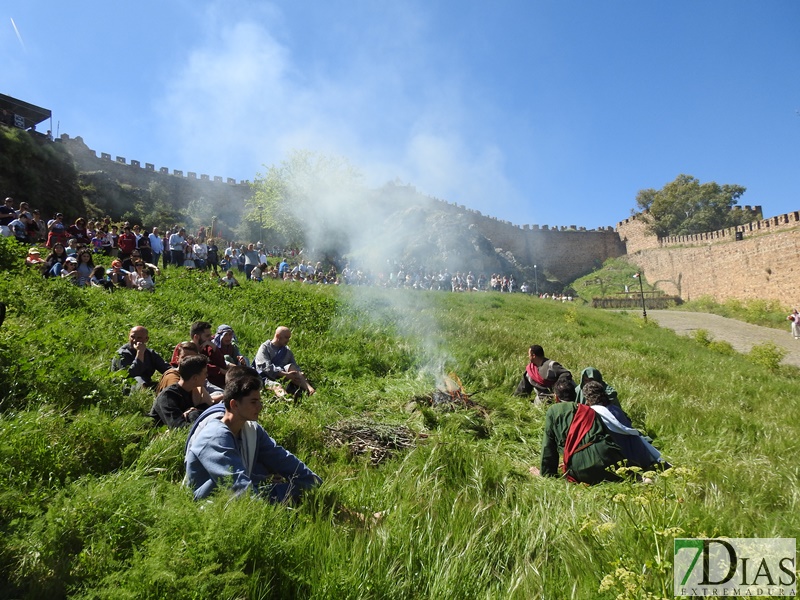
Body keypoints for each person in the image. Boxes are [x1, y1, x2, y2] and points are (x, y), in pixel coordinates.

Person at [184, 370, 322, 501]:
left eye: (259, 402)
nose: (260, 407)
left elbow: (280, 457)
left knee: (299, 490)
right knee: (284, 496)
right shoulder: (215, 437)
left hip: (239, 494)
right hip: (213, 502)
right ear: (234, 405)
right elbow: (237, 485)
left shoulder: (251, 429)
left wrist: (313, 482)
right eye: (253, 402)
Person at [534, 379, 625, 484]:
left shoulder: (554, 410)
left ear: (556, 397)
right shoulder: (589, 410)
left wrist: (546, 474)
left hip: (583, 467)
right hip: (610, 460)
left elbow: (548, 446)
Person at [582, 381, 666, 470]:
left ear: (588, 399)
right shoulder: (615, 409)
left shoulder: (595, 413)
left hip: (623, 458)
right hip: (640, 453)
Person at [149, 355, 214, 429]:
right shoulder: (168, 396)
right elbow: (177, 426)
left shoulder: (190, 391)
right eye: (205, 373)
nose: (207, 376)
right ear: (195, 378)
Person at [255, 326, 316, 396]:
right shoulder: (265, 347)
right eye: (286, 337)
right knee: (277, 386)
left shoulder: (287, 351)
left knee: (292, 367)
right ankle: (287, 399)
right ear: (278, 336)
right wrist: (285, 374)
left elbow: (293, 364)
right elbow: (265, 367)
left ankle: (310, 390)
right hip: (266, 377)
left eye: (289, 338)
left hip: (284, 377)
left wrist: (299, 372)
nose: (288, 340)